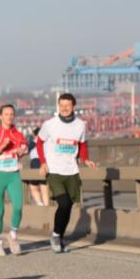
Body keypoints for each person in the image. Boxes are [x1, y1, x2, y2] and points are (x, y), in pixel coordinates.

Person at [36, 93, 97, 253]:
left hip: (71, 170)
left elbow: (81, 144)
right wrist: (43, 162)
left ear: (73, 106)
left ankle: (59, 237)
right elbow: (39, 142)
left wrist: (86, 159)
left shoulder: (80, 125)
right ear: (58, 106)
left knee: (68, 205)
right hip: (54, 170)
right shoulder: (50, 124)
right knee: (63, 203)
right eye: (61, 105)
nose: (64, 108)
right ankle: (56, 236)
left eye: (67, 105)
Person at [0, 105, 29, 256]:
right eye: (6, 114)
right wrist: (2, 146)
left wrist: (21, 152)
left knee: (18, 207)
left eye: (11, 114)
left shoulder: (18, 134)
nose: (9, 117)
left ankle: (13, 235)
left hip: (13, 175)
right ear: (0, 116)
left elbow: (24, 149)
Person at [26, 128, 50, 207]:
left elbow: (26, 150)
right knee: (44, 187)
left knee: (33, 186)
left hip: (35, 163)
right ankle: (46, 207)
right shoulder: (48, 142)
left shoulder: (34, 142)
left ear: (35, 135)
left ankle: (40, 203)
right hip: (46, 164)